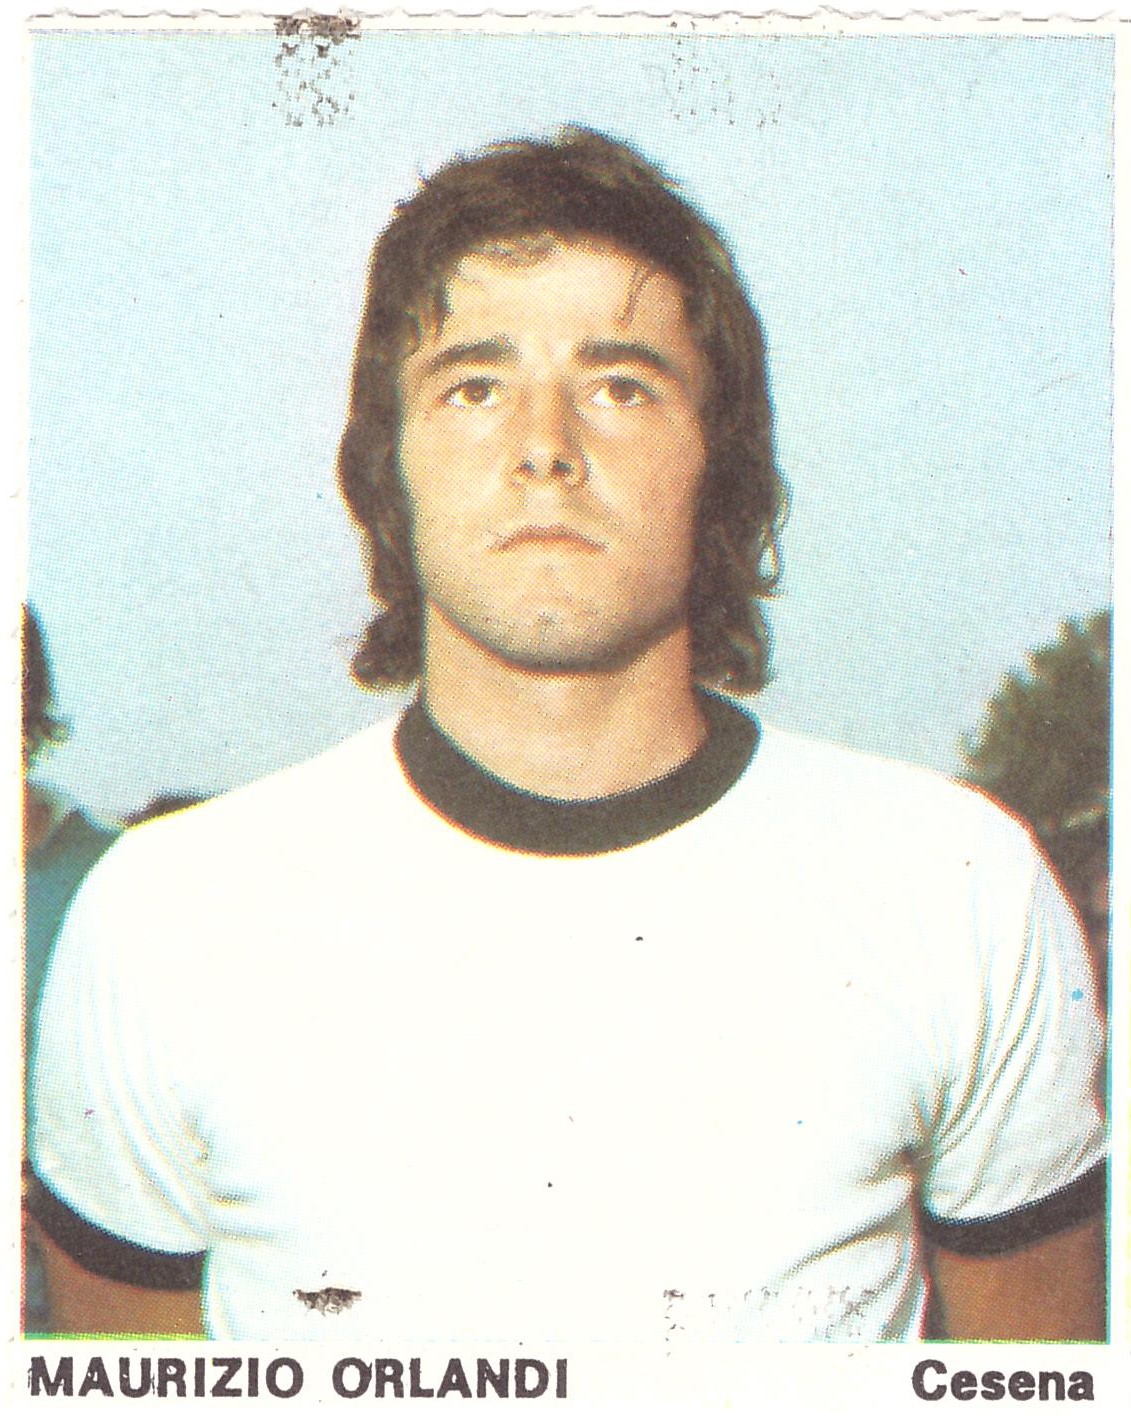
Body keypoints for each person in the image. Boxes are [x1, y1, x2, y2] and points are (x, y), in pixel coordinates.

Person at [29, 129, 1105, 1347]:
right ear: (389, 466)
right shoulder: (166, 918)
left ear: (720, 463)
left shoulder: (957, 884)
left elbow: (1039, 1376)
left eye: (620, 385)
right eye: (474, 386)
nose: (545, 446)